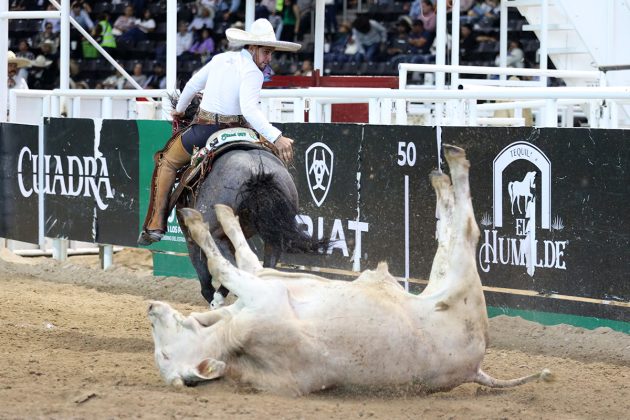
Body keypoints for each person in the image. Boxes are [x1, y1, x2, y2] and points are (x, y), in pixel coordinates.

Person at [138, 18, 301, 245]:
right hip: (241, 130)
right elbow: (249, 111)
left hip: (205, 130)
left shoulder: (220, 59)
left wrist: (180, 110)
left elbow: (193, 85)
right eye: (266, 52)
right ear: (252, 48)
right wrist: (275, 137)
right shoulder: (253, 72)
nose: (268, 58)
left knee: (167, 162)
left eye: (270, 53)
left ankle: (156, 224)